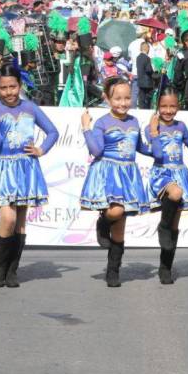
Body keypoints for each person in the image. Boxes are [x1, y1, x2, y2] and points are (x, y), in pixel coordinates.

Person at [0, 64, 59, 288]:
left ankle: (12, 270)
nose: (9, 92)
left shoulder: (30, 107)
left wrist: (41, 149)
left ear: (20, 85)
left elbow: (53, 131)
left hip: (25, 168)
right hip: (2, 169)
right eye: (3, 88)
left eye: (13, 86)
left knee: (20, 223)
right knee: (9, 218)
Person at [81, 76, 150, 287]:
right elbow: (96, 150)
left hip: (128, 175)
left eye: (127, 98)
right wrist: (86, 128)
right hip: (108, 173)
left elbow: (142, 148)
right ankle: (103, 222)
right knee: (115, 212)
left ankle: (113, 271)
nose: (123, 103)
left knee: (120, 226)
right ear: (108, 99)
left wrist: (155, 137)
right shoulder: (102, 122)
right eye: (118, 98)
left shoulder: (134, 121)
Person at [145, 86, 188, 284]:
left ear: (178, 106)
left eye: (172, 106)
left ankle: (165, 267)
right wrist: (154, 131)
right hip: (162, 172)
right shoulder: (152, 126)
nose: (168, 110)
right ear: (157, 106)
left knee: (176, 222)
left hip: (179, 172)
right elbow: (157, 153)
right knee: (173, 195)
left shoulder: (181, 126)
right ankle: (162, 227)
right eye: (164, 106)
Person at [136, 41, 154, 109]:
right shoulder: (147, 58)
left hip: (140, 81)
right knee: (148, 100)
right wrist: (154, 72)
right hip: (147, 82)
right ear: (147, 49)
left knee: (141, 99)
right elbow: (148, 70)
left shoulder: (138, 57)